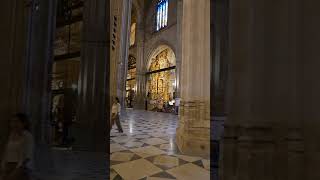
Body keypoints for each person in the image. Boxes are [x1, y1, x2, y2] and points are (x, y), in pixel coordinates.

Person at [0, 113, 34, 180]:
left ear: (23, 123)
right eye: (12, 121)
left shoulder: (27, 136)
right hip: (9, 165)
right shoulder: (12, 134)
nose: (14, 124)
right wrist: (3, 165)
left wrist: (17, 170)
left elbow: (27, 156)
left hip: (21, 167)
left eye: (17, 121)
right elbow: (6, 152)